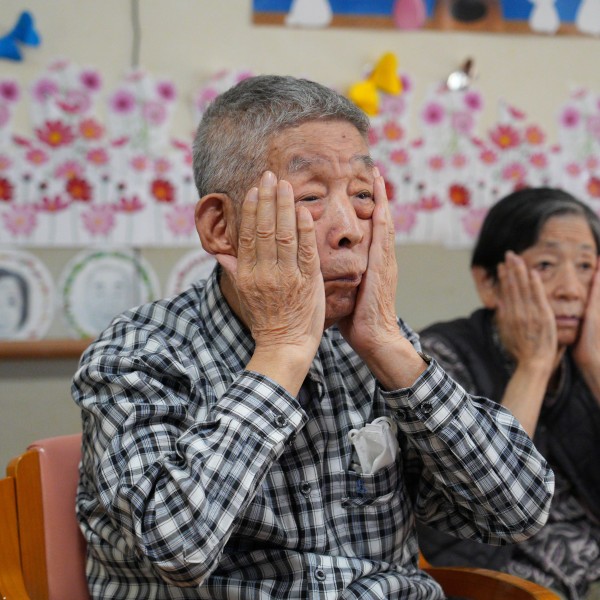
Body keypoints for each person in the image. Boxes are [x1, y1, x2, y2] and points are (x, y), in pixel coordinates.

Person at [72, 75, 554, 600]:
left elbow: (519, 509)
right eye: (311, 197)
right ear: (220, 227)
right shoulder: (139, 353)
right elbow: (174, 548)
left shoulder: (371, 346)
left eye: (363, 195)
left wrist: (388, 345)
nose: (350, 228)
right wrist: (282, 351)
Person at [417, 187, 600, 600]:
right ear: (489, 283)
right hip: (490, 587)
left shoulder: (589, 354)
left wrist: (594, 366)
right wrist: (533, 366)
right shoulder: (438, 360)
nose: (571, 289)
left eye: (586, 266)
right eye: (547, 264)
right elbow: (478, 518)